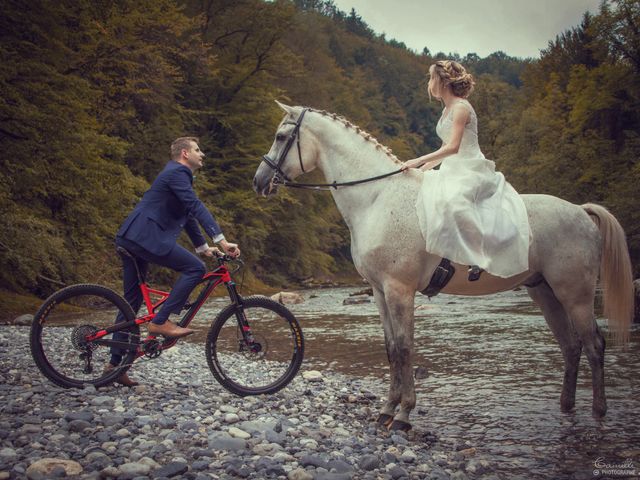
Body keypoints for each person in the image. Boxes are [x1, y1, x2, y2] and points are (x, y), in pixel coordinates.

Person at [105, 137, 241, 386]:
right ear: (185, 153)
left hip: (133, 237)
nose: (203, 155)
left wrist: (203, 247)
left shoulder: (177, 176)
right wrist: (222, 241)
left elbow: (188, 215)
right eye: (198, 150)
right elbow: (195, 206)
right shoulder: (178, 172)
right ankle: (160, 322)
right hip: (144, 237)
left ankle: (115, 367)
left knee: (131, 305)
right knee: (194, 269)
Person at [402, 60, 530, 280]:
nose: (429, 83)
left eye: (431, 78)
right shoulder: (446, 110)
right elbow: (444, 148)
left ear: (443, 82)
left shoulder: (461, 107)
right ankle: (442, 260)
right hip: (452, 167)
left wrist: (417, 160)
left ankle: (477, 256)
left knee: (454, 202)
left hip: (470, 167)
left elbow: (453, 147)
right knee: (429, 197)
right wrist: (420, 170)